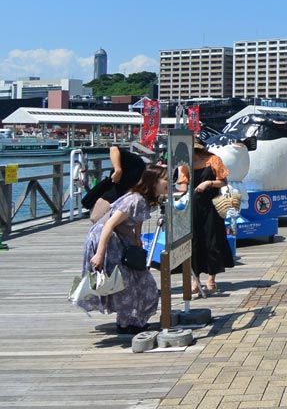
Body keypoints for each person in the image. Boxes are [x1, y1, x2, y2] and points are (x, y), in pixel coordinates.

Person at [77, 165, 165, 333]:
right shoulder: (135, 199)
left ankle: (131, 320)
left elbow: (138, 218)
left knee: (136, 280)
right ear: (153, 182)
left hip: (122, 238)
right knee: (125, 282)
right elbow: (109, 225)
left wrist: (137, 237)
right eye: (166, 180)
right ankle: (127, 322)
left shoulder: (145, 200)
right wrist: (100, 254)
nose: (169, 183)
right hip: (107, 239)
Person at [178, 141, 232, 295]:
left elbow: (223, 182)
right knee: (194, 241)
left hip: (212, 204)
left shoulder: (213, 160)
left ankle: (211, 280)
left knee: (212, 239)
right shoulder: (185, 164)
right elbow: (183, 186)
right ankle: (195, 281)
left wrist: (208, 183)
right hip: (194, 205)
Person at [81, 145, 147, 214]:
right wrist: (118, 170)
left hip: (124, 199)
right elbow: (113, 148)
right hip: (112, 196)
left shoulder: (142, 171)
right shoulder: (138, 162)